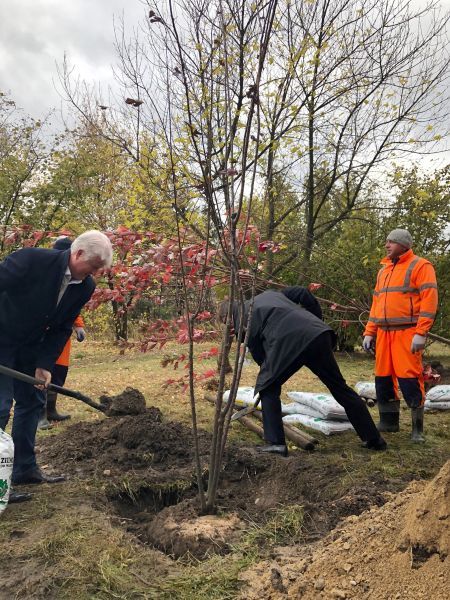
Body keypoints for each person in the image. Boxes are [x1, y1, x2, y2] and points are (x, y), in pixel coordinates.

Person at [0, 230, 113, 503]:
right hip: (1, 339)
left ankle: (24, 469)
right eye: (94, 266)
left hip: (31, 347)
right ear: (78, 254)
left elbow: (62, 327)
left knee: (32, 402)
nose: (94, 273)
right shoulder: (31, 260)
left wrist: (44, 365)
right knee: (1, 406)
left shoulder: (85, 286)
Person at [220, 287, 387, 456]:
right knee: (339, 387)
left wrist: (266, 378)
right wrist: (316, 321)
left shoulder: (243, 318)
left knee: (268, 388)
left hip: (289, 342)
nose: (230, 327)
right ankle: (373, 439)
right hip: (318, 334)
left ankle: (275, 444)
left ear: (228, 316)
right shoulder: (270, 295)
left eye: (227, 323)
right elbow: (303, 293)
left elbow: (259, 354)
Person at [363, 229, 438, 443]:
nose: (386, 245)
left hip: (408, 333)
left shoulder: (421, 266)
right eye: (386, 241)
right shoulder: (384, 270)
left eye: (391, 242)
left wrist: (421, 332)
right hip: (385, 334)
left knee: (409, 378)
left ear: (404, 245)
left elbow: (429, 301)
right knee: (383, 378)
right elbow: (376, 305)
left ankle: (417, 429)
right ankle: (389, 422)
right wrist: (370, 332)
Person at [37, 238, 86, 429]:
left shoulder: (77, 282)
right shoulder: (46, 277)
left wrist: (78, 326)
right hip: (42, 338)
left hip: (61, 341)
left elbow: (72, 309)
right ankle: (39, 416)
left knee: (57, 376)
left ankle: (51, 410)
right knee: (40, 376)